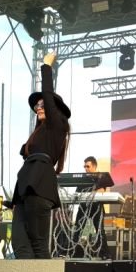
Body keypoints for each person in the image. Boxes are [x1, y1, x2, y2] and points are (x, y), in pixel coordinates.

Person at [11, 52, 71, 259]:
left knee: (38, 244)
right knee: (19, 242)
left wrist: (46, 67)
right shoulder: (39, 134)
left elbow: (48, 94)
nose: (38, 108)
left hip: (40, 187)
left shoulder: (58, 127)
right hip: (24, 189)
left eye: (43, 104)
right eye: (37, 106)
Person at [73, 156, 111, 259]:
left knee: (100, 231)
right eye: (84, 166)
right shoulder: (82, 179)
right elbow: (77, 193)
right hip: (83, 207)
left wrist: (90, 193)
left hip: (96, 207)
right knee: (77, 229)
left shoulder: (101, 177)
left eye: (88, 166)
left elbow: (101, 191)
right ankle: (72, 252)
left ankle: (105, 254)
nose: (86, 168)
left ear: (94, 166)